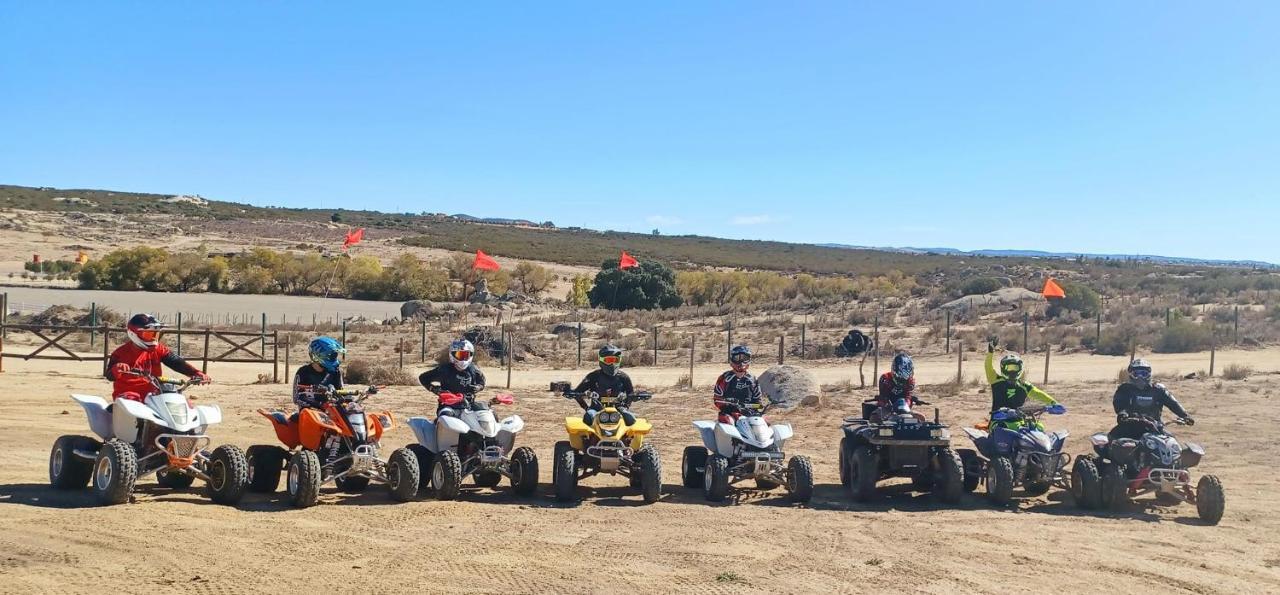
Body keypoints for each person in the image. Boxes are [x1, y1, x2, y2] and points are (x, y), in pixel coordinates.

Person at [105, 313, 208, 402]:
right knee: (132, 402)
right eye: (148, 335)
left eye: (155, 334)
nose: (153, 339)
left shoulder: (158, 349)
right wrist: (116, 369)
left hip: (155, 395)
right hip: (129, 396)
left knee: (182, 404)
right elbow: (109, 376)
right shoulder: (120, 353)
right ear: (133, 333)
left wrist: (195, 373)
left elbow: (175, 362)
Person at [984, 339, 1064, 429]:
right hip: (998, 422)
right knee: (1004, 432)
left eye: (1015, 368)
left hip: (1020, 422)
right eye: (1009, 368)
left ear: (1020, 369)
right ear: (1003, 368)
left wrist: (1054, 403)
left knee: (1039, 427)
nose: (1012, 371)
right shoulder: (996, 380)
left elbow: (1039, 394)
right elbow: (988, 367)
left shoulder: (1024, 385)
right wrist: (990, 352)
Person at [1108, 358, 1193, 441]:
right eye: (1136, 374)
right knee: (1116, 443)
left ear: (1149, 375)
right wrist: (1123, 413)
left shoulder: (1159, 389)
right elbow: (1119, 404)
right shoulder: (1124, 389)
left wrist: (1185, 416)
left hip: (1155, 427)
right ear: (1131, 375)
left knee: (1172, 445)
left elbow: (1173, 403)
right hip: (1130, 427)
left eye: (1144, 374)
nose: (1140, 377)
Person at [419, 339, 486, 417]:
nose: (463, 359)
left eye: (465, 355)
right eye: (459, 355)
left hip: (468, 406)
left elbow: (482, 382)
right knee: (446, 417)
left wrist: (478, 387)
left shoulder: (473, 369)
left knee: (486, 414)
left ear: (471, 355)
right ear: (452, 355)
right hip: (448, 406)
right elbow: (423, 378)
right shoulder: (444, 370)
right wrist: (434, 389)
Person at [572, 345, 637, 425]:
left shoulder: (624, 377)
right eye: (609, 360)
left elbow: (631, 394)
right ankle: (587, 438)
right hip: (596, 409)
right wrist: (586, 408)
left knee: (631, 420)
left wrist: (626, 407)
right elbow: (577, 392)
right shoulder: (593, 376)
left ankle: (628, 438)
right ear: (601, 360)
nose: (612, 364)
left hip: (619, 409)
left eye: (615, 360)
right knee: (588, 417)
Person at [292, 336, 350, 412]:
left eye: (335, 356)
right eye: (331, 356)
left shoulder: (336, 371)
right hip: (310, 413)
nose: (335, 360)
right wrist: (320, 405)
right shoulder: (303, 372)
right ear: (318, 355)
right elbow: (297, 398)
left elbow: (341, 392)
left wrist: (350, 400)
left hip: (332, 412)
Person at [713, 345, 764, 423]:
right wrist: (728, 404)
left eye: (745, 358)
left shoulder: (753, 379)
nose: (741, 362)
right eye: (737, 358)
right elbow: (717, 399)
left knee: (765, 423)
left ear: (749, 360)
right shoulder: (724, 378)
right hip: (729, 413)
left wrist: (757, 407)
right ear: (731, 360)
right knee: (728, 422)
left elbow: (758, 400)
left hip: (749, 414)